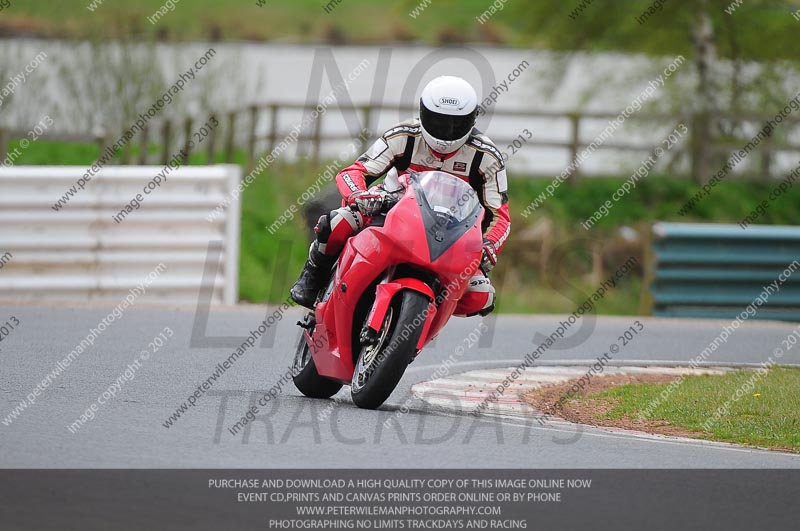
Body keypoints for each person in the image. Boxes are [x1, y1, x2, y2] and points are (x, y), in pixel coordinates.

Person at [290, 75, 510, 316]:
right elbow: (355, 171)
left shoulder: (487, 156)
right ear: (423, 112)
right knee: (337, 222)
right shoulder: (403, 135)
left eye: (456, 123)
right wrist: (360, 196)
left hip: (450, 231)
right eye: (437, 121)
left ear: (473, 119)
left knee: (481, 295)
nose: (446, 131)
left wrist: (488, 245)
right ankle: (313, 275)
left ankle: (422, 318)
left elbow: (499, 215)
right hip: (388, 209)